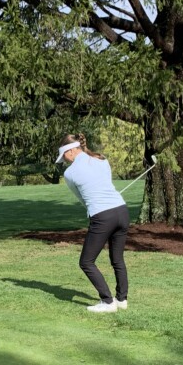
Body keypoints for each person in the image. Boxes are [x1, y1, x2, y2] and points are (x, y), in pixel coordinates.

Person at [56, 133, 129, 313]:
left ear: (71, 151)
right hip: (122, 210)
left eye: (64, 156)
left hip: (102, 215)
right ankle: (122, 300)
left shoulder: (69, 173)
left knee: (86, 262)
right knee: (117, 259)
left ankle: (108, 301)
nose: (64, 160)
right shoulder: (102, 160)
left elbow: (82, 199)